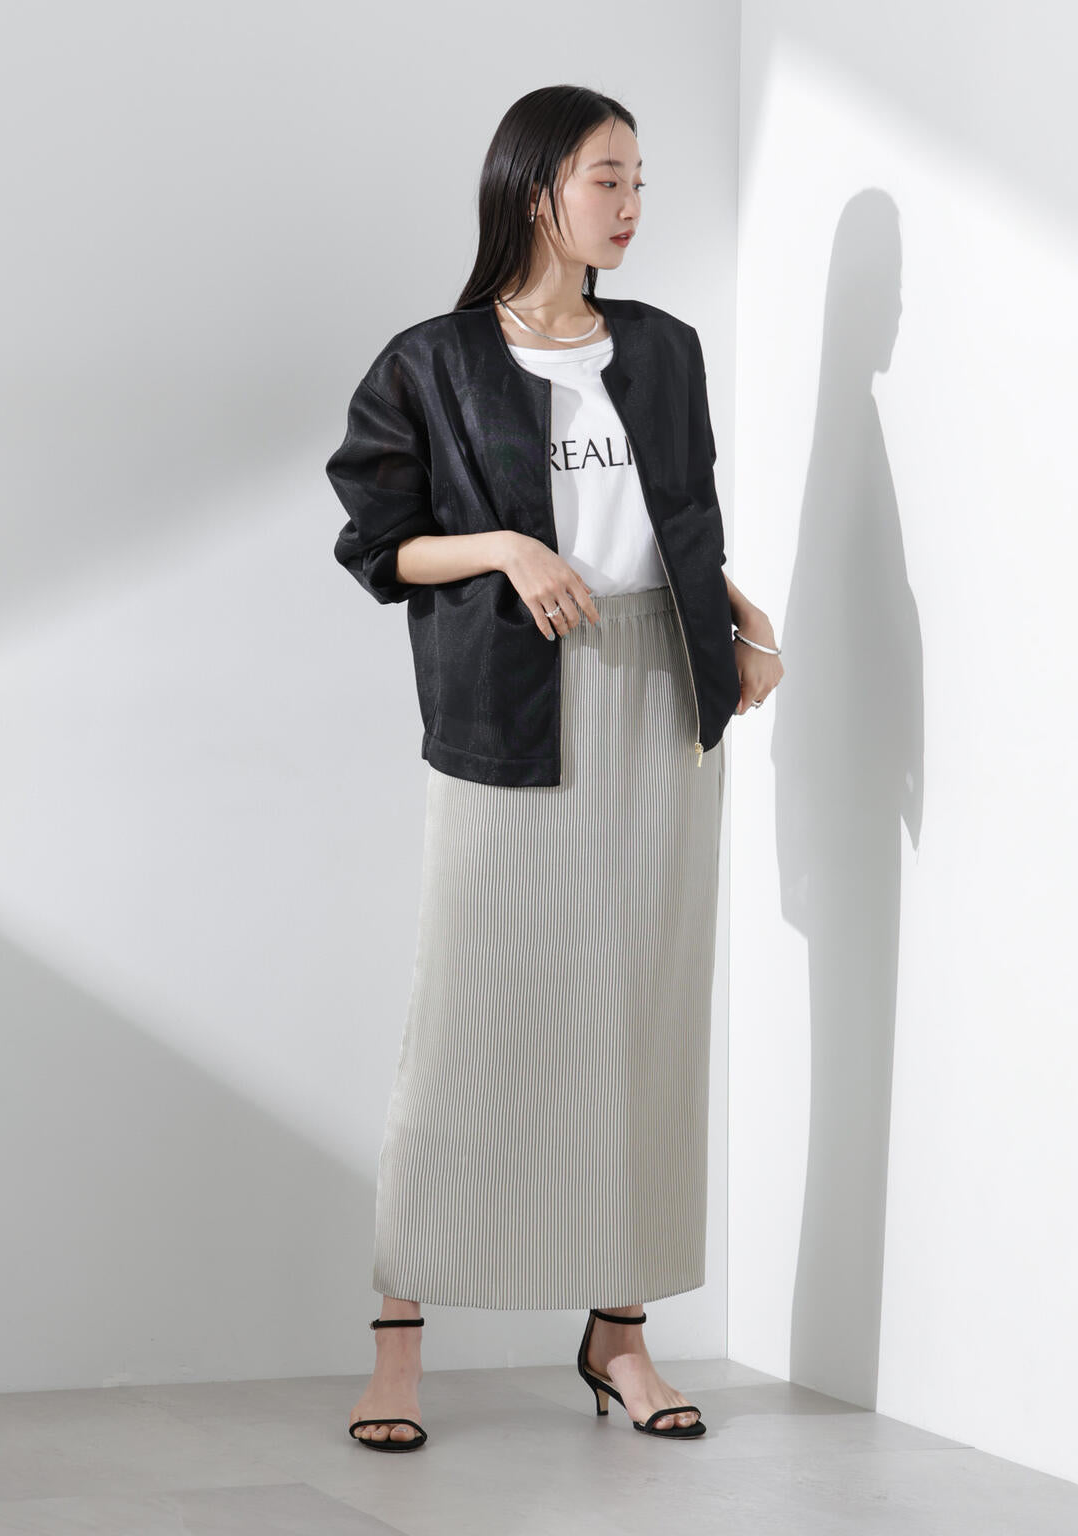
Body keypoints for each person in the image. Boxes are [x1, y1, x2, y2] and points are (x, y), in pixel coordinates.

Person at [327, 85, 784, 1452]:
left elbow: (680, 524)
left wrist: (740, 626)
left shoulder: (664, 349)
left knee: (642, 1017)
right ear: (537, 191)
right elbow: (379, 544)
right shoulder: (434, 360)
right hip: (511, 704)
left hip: (659, 694)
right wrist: (508, 548)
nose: (633, 206)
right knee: (470, 1016)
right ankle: (399, 1341)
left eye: (641, 181)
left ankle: (620, 1336)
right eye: (608, 179)